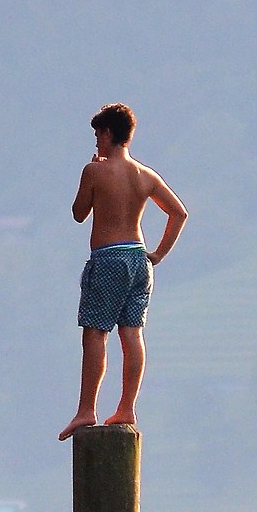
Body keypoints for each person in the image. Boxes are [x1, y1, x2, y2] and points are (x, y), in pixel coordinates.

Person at [59, 102, 187, 440]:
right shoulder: (145, 175)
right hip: (138, 259)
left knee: (96, 332)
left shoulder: (95, 171)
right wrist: (158, 253)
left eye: (97, 135)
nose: (96, 142)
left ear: (107, 133)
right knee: (132, 333)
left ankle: (87, 409)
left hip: (108, 258)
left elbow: (78, 212)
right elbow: (178, 213)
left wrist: (91, 172)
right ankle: (127, 405)